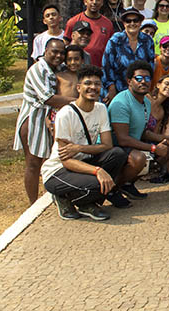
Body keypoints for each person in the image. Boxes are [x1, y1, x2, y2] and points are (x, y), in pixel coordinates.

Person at [41, 64, 125, 221]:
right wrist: (97, 171)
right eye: (88, 83)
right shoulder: (65, 114)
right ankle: (62, 197)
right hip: (58, 171)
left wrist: (79, 148)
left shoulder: (100, 109)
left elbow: (107, 145)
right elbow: (66, 160)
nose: (93, 87)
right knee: (96, 183)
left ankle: (88, 203)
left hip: (82, 161)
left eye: (97, 84)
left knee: (117, 154)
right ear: (78, 88)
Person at [14, 39, 76, 204]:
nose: (58, 55)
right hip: (34, 120)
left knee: (53, 160)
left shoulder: (58, 69)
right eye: (54, 51)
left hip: (52, 118)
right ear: (45, 50)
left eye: (62, 52)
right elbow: (47, 98)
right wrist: (79, 102)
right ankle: (33, 204)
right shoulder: (37, 69)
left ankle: (54, 197)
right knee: (33, 163)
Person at [108, 61, 169, 206]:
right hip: (113, 149)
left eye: (147, 78)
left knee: (168, 146)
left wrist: (165, 138)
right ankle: (112, 190)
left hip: (131, 144)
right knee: (139, 158)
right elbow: (123, 139)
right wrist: (154, 148)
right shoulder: (121, 102)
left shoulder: (146, 102)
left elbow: (142, 132)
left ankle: (127, 184)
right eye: (138, 78)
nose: (143, 82)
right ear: (129, 81)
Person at [101, 9, 155, 104]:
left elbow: (150, 66)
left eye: (135, 20)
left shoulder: (147, 40)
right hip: (117, 89)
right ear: (124, 23)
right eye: (128, 21)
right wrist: (111, 88)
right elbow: (107, 65)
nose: (132, 23)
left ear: (140, 22)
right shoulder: (115, 40)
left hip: (139, 89)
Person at [64, 0, 113, 68]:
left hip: (100, 70)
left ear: (102, 2)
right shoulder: (73, 22)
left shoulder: (108, 24)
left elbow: (110, 49)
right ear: (85, 1)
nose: (94, 2)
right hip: (77, 70)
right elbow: (65, 45)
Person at [145, 75, 169, 184]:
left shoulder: (161, 111)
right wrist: (166, 137)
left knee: (168, 146)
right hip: (132, 137)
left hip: (146, 141)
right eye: (167, 84)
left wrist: (164, 140)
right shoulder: (146, 99)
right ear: (158, 84)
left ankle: (150, 171)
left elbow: (152, 135)